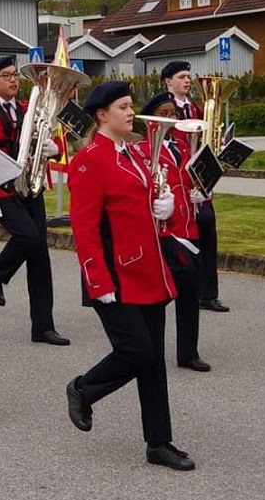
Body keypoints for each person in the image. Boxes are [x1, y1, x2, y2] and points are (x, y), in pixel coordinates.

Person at [64, 80, 195, 472]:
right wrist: (97, 281)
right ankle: (83, 388)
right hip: (113, 275)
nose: (130, 111)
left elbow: (145, 200)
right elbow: (84, 228)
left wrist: (164, 205)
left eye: (129, 105)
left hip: (147, 270)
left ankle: (159, 442)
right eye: (122, 106)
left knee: (153, 361)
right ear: (102, 115)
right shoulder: (89, 160)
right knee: (137, 352)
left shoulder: (134, 152)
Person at [0, 55, 67, 345]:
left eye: (15, 75)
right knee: (28, 237)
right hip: (0, 189)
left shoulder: (28, 109)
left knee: (40, 257)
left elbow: (46, 138)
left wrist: (55, 148)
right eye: (7, 76)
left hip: (29, 187)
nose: (13, 80)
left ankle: (43, 326)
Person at [138, 93, 210, 371]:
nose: (171, 118)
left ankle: (188, 352)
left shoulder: (183, 144)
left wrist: (204, 192)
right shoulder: (143, 149)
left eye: (173, 113)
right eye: (164, 114)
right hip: (165, 230)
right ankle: (145, 339)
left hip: (189, 225)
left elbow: (196, 177)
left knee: (191, 289)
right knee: (177, 284)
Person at [160, 61, 228, 313]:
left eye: (189, 76)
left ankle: (208, 293)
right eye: (181, 77)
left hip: (198, 179)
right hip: (178, 180)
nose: (187, 81)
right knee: (185, 237)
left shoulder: (196, 108)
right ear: (168, 81)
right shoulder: (165, 109)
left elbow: (206, 142)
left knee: (208, 231)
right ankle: (181, 286)